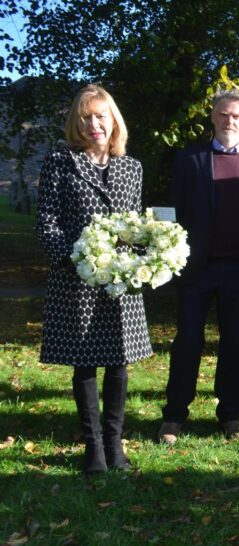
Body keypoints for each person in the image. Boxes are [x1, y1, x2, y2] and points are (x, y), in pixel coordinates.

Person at [36, 84, 152, 474]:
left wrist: (144, 259)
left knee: (119, 363)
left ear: (113, 120)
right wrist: (76, 258)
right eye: (85, 117)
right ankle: (94, 448)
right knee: (84, 364)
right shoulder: (59, 162)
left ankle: (115, 444)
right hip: (78, 280)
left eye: (100, 116)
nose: (93, 124)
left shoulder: (131, 168)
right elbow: (46, 223)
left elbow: (135, 227)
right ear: (76, 123)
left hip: (120, 283)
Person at [157, 89, 239, 444]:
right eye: (223, 114)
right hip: (196, 268)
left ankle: (231, 415)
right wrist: (169, 258)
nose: (229, 121)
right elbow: (172, 212)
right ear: (212, 117)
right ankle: (174, 416)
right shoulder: (189, 159)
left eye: (236, 116)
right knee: (188, 341)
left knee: (236, 345)